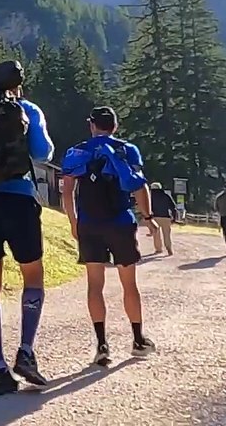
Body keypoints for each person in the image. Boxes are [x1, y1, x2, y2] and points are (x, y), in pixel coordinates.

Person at [0, 86, 54, 395]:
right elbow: (43, 153)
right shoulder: (27, 108)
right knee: (33, 276)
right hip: (18, 198)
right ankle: (26, 350)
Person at [61, 106, 157, 367]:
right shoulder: (127, 150)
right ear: (115, 126)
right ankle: (138, 339)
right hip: (121, 223)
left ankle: (102, 345)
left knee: (95, 284)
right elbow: (139, 185)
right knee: (129, 284)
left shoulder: (77, 152)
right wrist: (148, 218)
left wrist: (73, 221)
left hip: (90, 224)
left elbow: (67, 191)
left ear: (92, 125)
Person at [148, 183, 177, 256]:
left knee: (156, 235)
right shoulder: (166, 196)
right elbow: (173, 207)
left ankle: (158, 249)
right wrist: (174, 218)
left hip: (155, 217)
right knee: (167, 235)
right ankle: (168, 248)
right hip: (166, 217)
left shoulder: (150, 197)